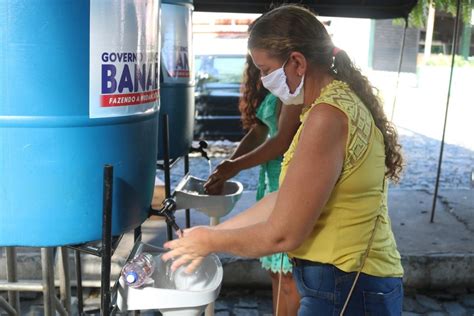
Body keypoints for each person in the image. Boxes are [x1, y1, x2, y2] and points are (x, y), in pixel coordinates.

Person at [163, 4, 404, 315]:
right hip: (349, 280)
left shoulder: (327, 116)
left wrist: (211, 242)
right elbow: (285, 198)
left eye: (265, 70)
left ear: (297, 62)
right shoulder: (331, 105)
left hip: (347, 284)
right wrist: (212, 234)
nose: (263, 81)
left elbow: (284, 232)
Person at [204, 54, 302, 315]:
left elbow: (281, 141)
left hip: (289, 181)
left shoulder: (295, 92)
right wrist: (227, 167)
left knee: (288, 274)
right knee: (275, 269)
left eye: (265, 67)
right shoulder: (276, 92)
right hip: (271, 181)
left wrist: (234, 166)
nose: (261, 75)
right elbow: (259, 131)